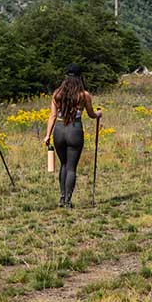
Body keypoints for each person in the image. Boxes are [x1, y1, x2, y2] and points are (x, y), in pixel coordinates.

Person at [43, 65, 101, 208]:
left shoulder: (57, 94)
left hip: (59, 130)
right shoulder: (84, 95)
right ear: (79, 77)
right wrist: (99, 114)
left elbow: (52, 116)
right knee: (71, 168)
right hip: (74, 130)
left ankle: (62, 198)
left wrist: (47, 135)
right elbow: (92, 115)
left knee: (63, 164)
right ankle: (68, 200)